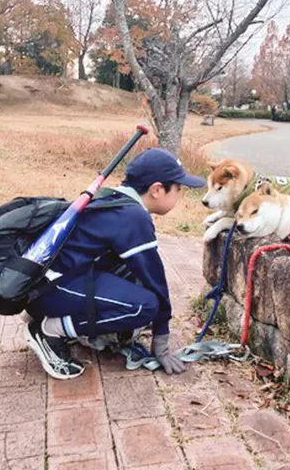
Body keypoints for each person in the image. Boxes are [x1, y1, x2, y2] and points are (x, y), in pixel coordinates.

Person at [25, 147, 205, 380]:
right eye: (178, 189)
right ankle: (49, 330)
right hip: (51, 291)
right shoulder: (132, 217)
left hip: (42, 286)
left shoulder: (113, 198)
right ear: (157, 190)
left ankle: (52, 315)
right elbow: (156, 282)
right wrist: (162, 338)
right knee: (145, 306)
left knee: (134, 276)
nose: (179, 195)